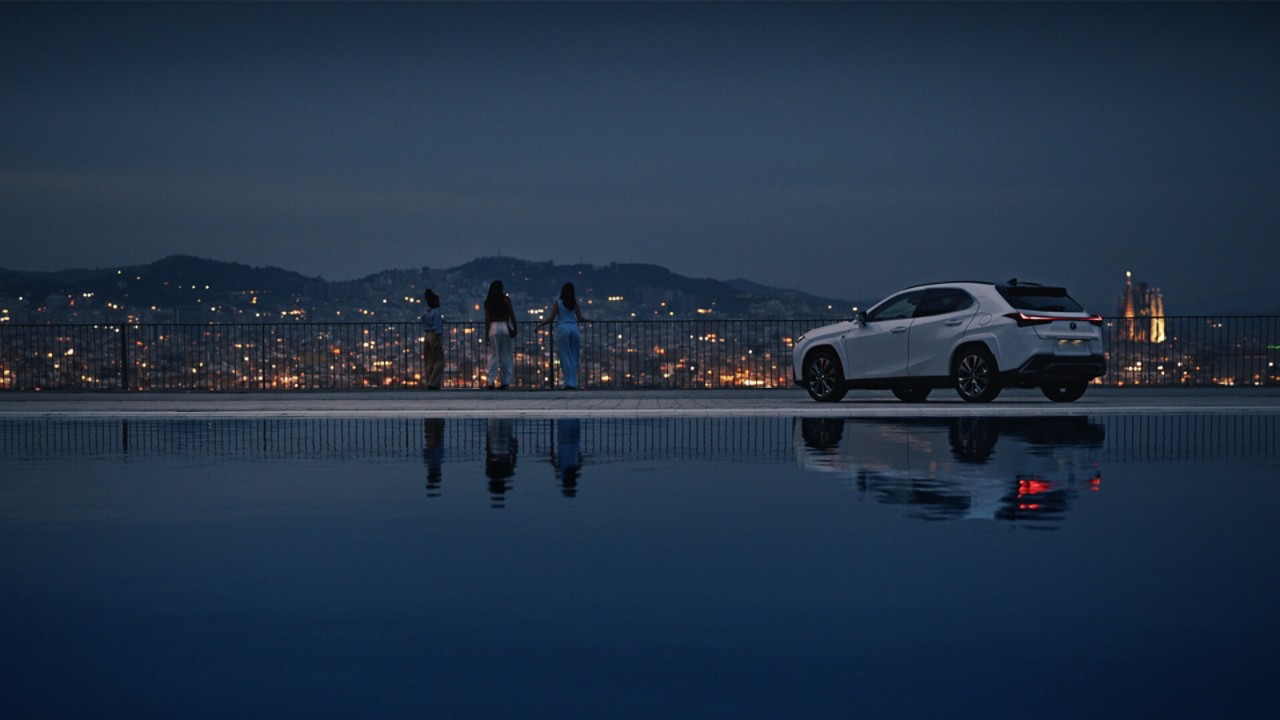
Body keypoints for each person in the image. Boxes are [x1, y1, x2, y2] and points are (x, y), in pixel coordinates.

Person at [536, 282, 587, 389]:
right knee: (574, 357)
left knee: (565, 357)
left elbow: (551, 318)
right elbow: (580, 318)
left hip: (563, 329)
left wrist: (540, 325)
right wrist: (591, 321)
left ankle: (569, 383)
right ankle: (574, 382)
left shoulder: (558, 303)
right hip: (574, 329)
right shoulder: (575, 303)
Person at [483, 280, 516, 389]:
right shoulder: (506, 300)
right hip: (504, 326)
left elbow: (487, 320)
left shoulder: (489, 302)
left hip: (493, 327)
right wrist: (515, 328)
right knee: (505, 355)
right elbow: (512, 315)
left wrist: (486, 333)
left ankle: (490, 381)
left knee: (493, 355)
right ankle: (505, 381)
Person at [420, 289, 444, 390]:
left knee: (428, 360)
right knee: (439, 360)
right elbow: (437, 328)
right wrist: (438, 339)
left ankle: (429, 380)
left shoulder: (426, 313)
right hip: (434, 335)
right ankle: (434, 383)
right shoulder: (437, 313)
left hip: (427, 335)